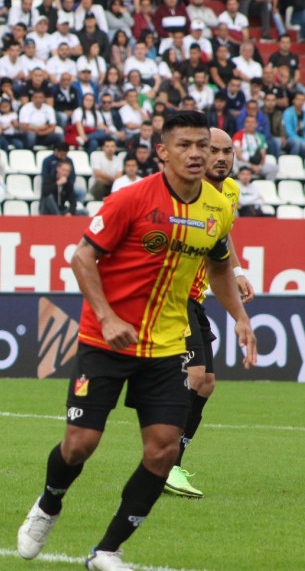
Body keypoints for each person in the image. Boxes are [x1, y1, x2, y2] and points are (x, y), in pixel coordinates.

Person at [16, 110, 257, 571]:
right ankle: (49, 503)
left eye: (203, 146)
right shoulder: (130, 199)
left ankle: (107, 550)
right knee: (80, 444)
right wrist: (106, 318)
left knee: (164, 447)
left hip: (166, 344)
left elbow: (220, 265)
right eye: (184, 145)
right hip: (106, 340)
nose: (196, 153)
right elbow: (82, 258)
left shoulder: (218, 207)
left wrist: (240, 318)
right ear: (162, 151)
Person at [165, 128, 254, 499]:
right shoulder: (187, 189)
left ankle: (171, 463)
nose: (220, 157)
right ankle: (163, 461)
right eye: (212, 150)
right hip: (171, 294)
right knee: (196, 374)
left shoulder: (230, 192)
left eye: (227, 151)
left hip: (196, 296)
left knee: (207, 383)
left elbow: (222, 236)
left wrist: (235, 270)